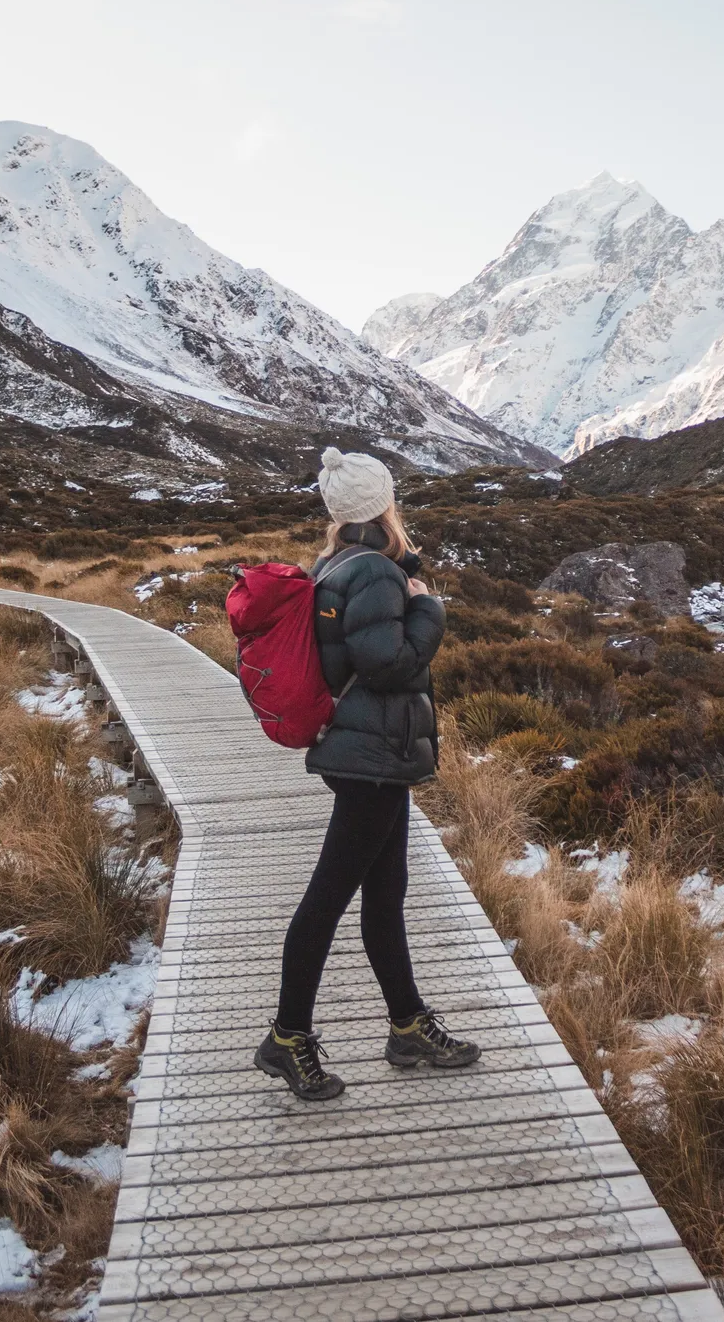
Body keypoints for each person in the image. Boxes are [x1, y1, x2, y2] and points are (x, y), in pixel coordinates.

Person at [254, 446, 480, 1099]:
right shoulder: (375, 575)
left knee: (385, 892)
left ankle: (407, 1023)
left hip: (364, 750)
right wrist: (428, 608)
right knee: (328, 899)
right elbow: (389, 664)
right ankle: (288, 1037)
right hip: (372, 755)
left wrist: (403, 585)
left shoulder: (335, 564)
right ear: (383, 506)